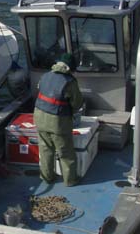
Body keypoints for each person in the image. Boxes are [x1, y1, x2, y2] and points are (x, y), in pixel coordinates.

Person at [34, 53, 83, 186]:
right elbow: (77, 103)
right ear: (70, 68)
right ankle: (70, 180)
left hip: (39, 118)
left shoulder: (45, 76)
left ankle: (47, 177)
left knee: (45, 150)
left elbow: (41, 91)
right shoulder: (70, 82)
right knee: (65, 152)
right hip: (57, 123)